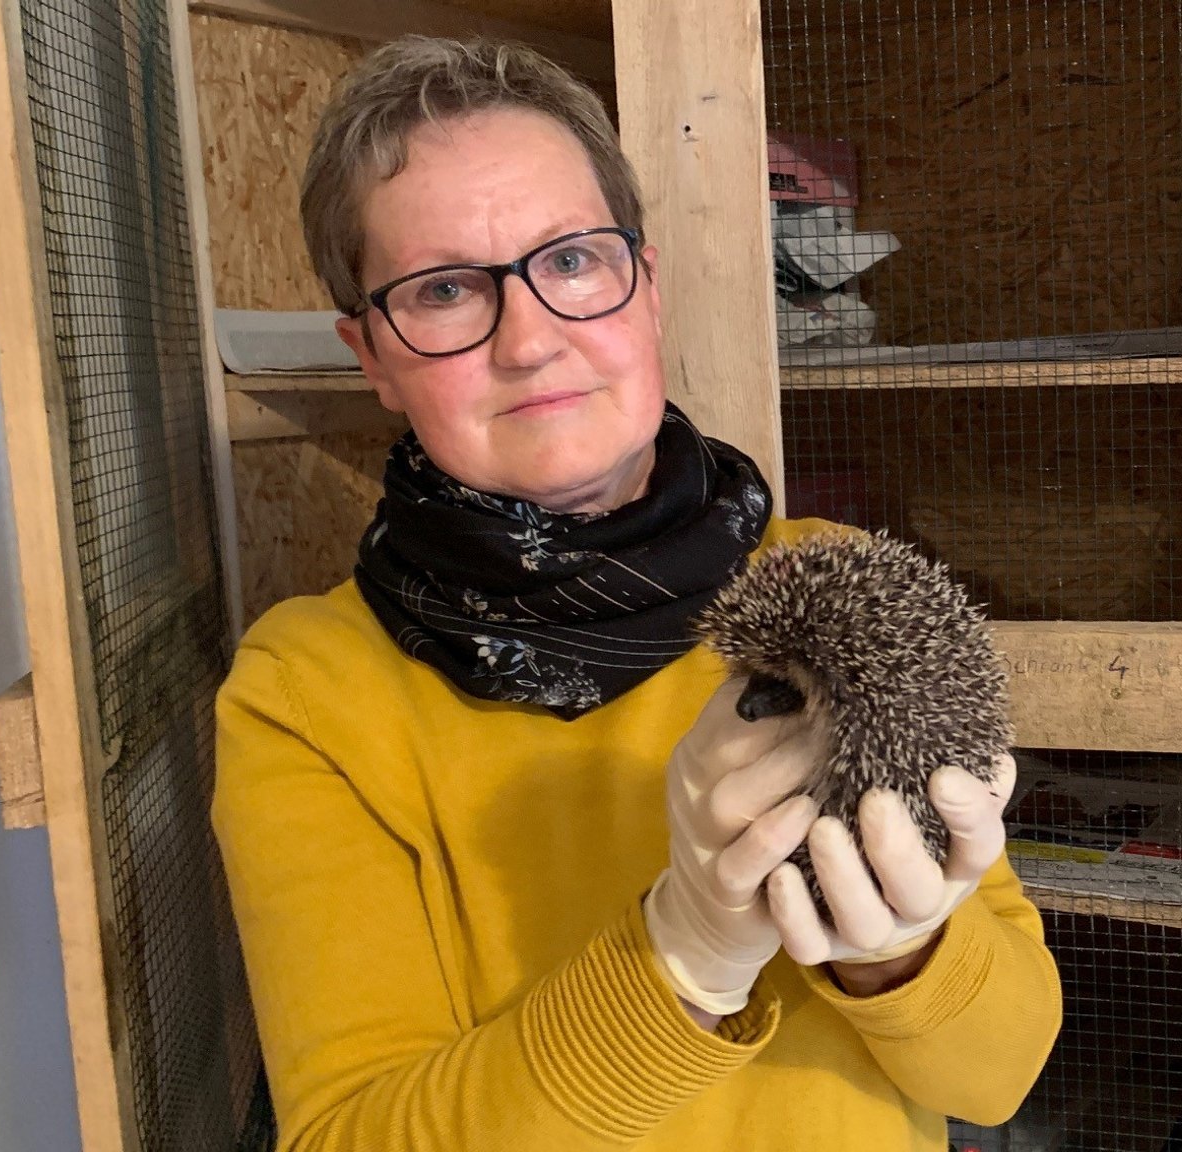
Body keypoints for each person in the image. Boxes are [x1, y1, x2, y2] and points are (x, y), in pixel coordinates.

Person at [211, 34, 1061, 1151]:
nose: (530, 341)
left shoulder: (836, 580)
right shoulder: (306, 694)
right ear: (371, 353)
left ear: (644, 288)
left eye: (569, 261)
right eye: (446, 289)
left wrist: (901, 953)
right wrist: (684, 953)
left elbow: (995, 1080)